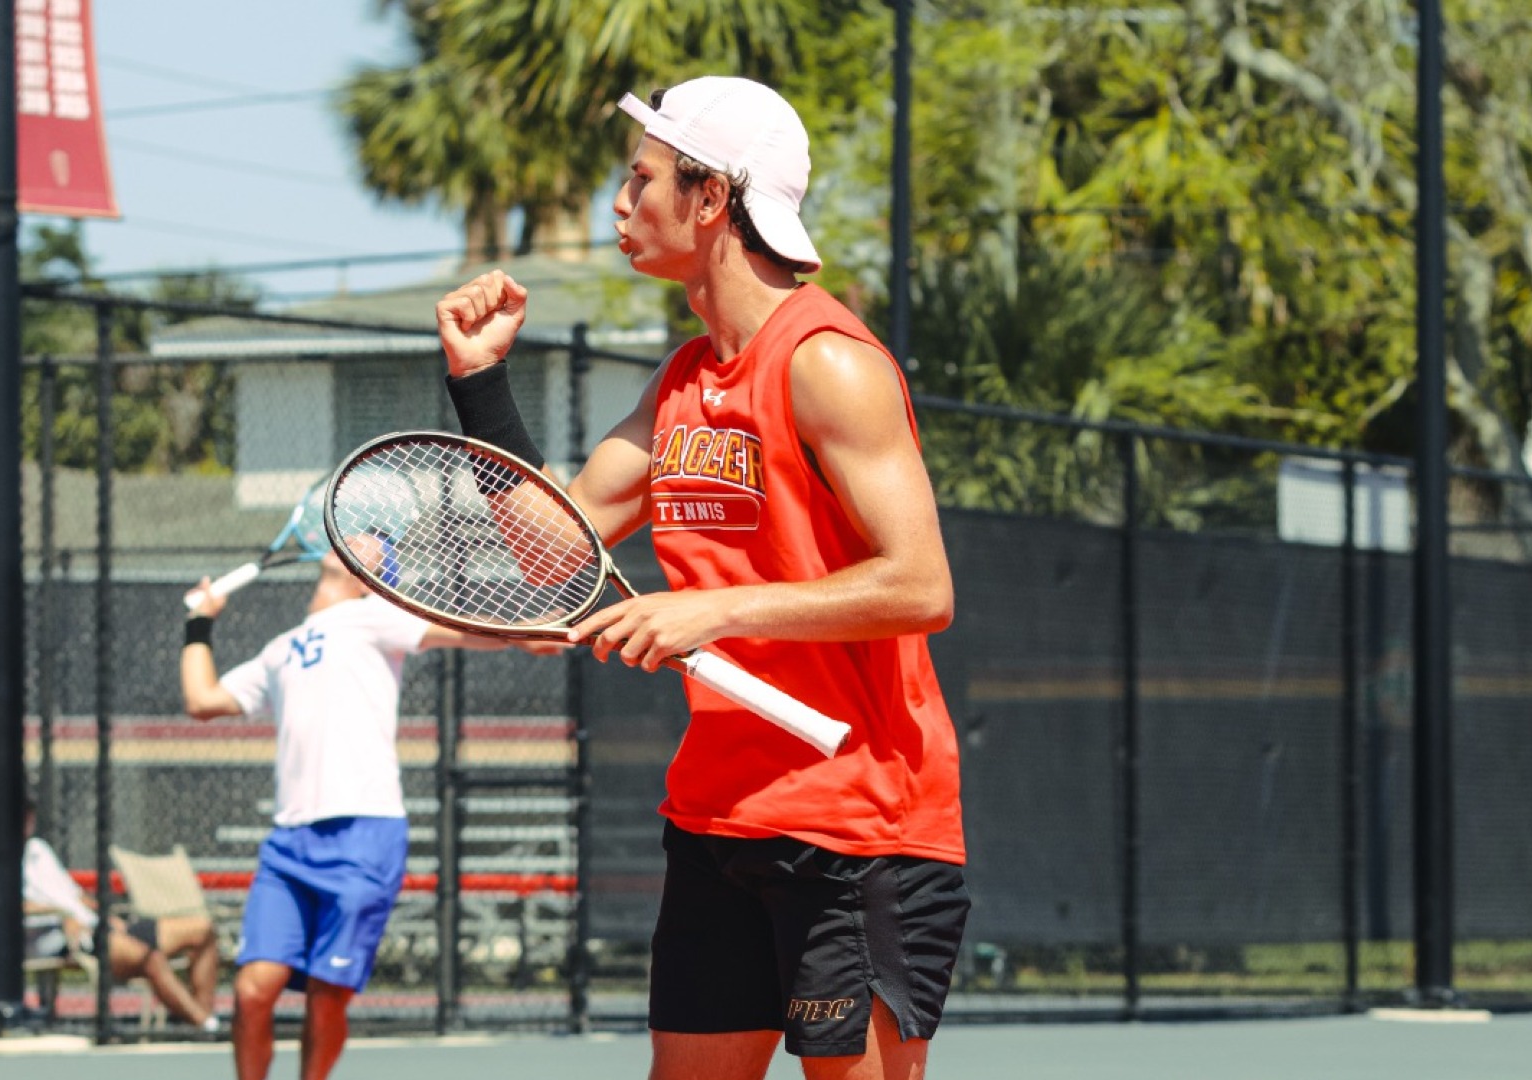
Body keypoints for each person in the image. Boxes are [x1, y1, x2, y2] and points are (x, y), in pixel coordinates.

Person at [436, 75, 970, 1080]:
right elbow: (555, 553)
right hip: (718, 818)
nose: (619, 203)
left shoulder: (827, 363)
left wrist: (710, 611)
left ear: (711, 196)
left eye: (641, 180)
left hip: (859, 823)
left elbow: (921, 586)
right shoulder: (681, 381)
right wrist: (479, 383)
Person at [179, 534, 512, 1080]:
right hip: (289, 843)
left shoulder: (377, 615)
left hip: (365, 836)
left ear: (371, 579)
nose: (353, 534)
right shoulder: (281, 647)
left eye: (373, 541)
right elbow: (203, 700)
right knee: (252, 990)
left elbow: (470, 632)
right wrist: (200, 624)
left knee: (326, 996)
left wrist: (530, 635)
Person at [20, 802, 223, 1034]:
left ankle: (202, 1017)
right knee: (150, 958)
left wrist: (104, 914)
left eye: (29, 815)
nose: (27, 822)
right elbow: (9, 906)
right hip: (71, 938)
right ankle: (206, 1025)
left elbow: (76, 894)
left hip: (100, 926)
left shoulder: (38, 849)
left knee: (202, 930)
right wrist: (66, 915)